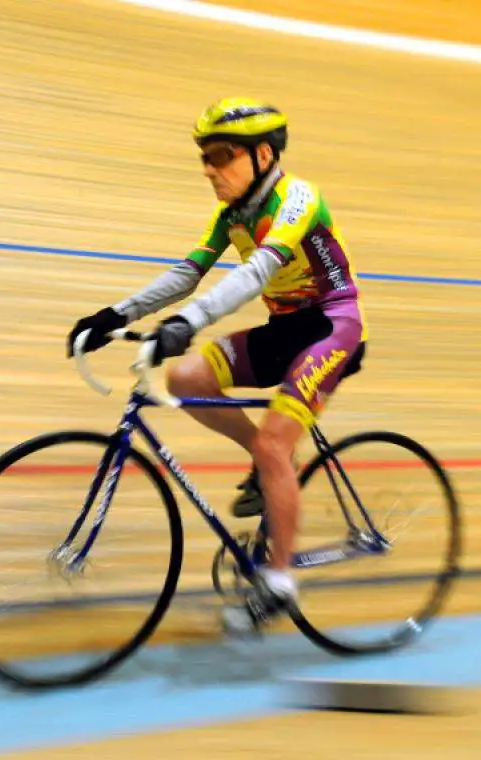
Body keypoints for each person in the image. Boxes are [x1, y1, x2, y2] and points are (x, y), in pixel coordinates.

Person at [67, 97, 368, 635]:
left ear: (263, 154)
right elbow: (188, 272)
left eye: (222, 155)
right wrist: (116, 314)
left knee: (277, 443)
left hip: (330, 329)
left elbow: (256, 273)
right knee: (186, 379)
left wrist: (188, 323)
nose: (209, 169)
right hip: (285, 331)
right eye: (204, 157)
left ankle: (279, 583)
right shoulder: (232, 215)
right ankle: (272, 468)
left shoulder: (298, 198)